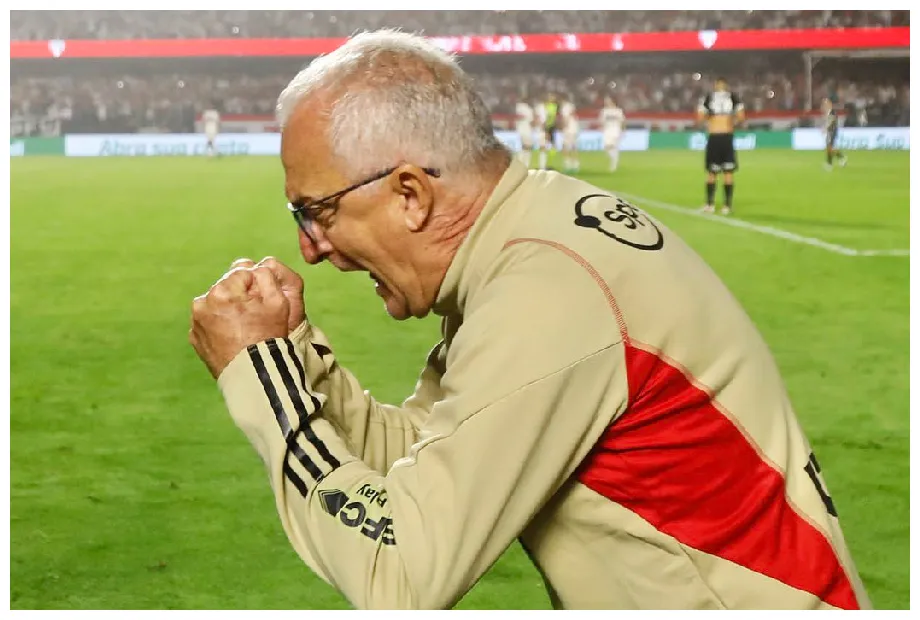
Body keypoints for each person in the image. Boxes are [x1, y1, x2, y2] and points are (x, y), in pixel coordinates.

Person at [189, 31, 870, 610]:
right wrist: (294, 354)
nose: (311, 247)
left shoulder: (548, 291)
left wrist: (260, 379)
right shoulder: (535, 239)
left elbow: (400, 574)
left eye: (318, 210)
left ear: (409, 194)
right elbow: (417, 454)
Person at [697, 77, 744, 215]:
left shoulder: (708, 98)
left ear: (716, 85)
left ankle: (709, 204)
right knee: (728, 171)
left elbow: (700, 117)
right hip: (727, 136)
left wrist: (711, 120)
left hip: (714, 136)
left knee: (712, 172)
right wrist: (731, 122)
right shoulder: (733, 98)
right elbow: (741, 117)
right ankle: (727, 206)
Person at [600, 95, 626, 172]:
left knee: (613, 146)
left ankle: (614, 164)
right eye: (605, 101)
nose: (606, 102)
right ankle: (614, 160)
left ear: (612, 101)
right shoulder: (604, 111)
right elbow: (602, 121)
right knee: (606, 147)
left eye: (608, 100)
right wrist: (602, 127)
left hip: (616, 130)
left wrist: (623, 130)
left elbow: (623, 121)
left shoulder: (618, 111)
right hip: (607, 131)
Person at [822, 97, 848, 170]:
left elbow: (831, 121)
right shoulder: (827, 112)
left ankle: (834, 161)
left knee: (830, 147)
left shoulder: (832, 112)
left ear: (829, 104)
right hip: (829, 131)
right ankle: (838, 159)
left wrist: (825, 128)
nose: (824, 105)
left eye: (826, 103)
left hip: (832, 131)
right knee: (829, 148)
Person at [559, 94, 580, 173]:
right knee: (574, 146)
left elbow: (566, 118)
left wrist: (563, 127)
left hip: (569, 128)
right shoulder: (571, 106)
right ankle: (576, 165)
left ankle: (567, 164)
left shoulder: (564, 107)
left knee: (565, 146)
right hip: (575, 128)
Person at [513, 96, 534, 169]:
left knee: (523, 148)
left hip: (520, 129)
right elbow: (531, 120)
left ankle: (522, 164)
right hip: (525, 130)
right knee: (527, 147)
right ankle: (525, 164)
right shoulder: (526, 108)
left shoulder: (519, 107)